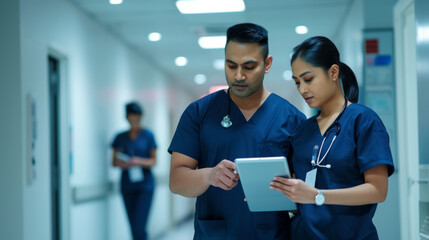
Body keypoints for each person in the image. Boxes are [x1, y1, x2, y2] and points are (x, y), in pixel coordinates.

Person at [168, 23, 306, 240]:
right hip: (216, 234)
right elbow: (176, 181)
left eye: (249, 67)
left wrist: (291, 193)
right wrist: (209, 175)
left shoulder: (293, 119)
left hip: (271, 234)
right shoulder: (199, 113)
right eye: (231, 66)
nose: (239, 76)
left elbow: (305, 193)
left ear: (267, 64)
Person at [269, 36, 395, 240]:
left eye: (308, 79)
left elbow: (377, 190)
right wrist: (272, 196)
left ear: (333, 72)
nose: (302, 89)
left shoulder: (363, 121)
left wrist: (318, 195)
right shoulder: (302, 132)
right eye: (297, 82)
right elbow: (299, 196)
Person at [111, 102, 157, 240]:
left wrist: (137, 161)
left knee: (139, 227)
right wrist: (124, 163)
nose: (133, 121)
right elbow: (114, 161)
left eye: (136, 118)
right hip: (127, 185)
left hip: (145, 186)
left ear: (140, 117)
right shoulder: (120, 137)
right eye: (131, 118)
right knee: (133, 227)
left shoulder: (148, 136)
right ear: (127, 118)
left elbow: (153, 161)